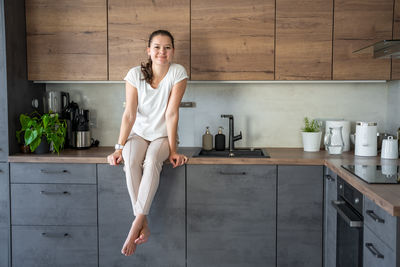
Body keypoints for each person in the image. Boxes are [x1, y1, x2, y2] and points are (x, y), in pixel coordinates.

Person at [107, 29, 188, 257]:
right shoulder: (134, 75)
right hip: (138, 134)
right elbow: (129, 115)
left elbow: (172, 114)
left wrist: (173, 150)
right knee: (131, 161)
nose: (162, 52)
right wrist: (119, 147)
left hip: (162, 136)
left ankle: (136, 224)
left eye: (167, 47)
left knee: (152, 160)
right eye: (157, 47)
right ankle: (143, 221)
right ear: (149, 51)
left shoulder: (178, 73)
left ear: (173, 51)